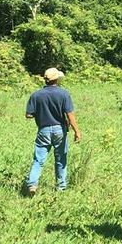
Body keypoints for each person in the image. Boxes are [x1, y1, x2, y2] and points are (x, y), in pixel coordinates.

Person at [24, 67, 82, 196]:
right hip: (59, 130)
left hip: (43, 130)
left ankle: (32, 184)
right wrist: (77, 131)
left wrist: (41, 112)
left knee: (38, 160)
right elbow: (69, 114)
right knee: (61, 159)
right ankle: (61, 187)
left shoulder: (36, 95)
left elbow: (28, 115)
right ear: (57, 79)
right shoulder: (63, 94)